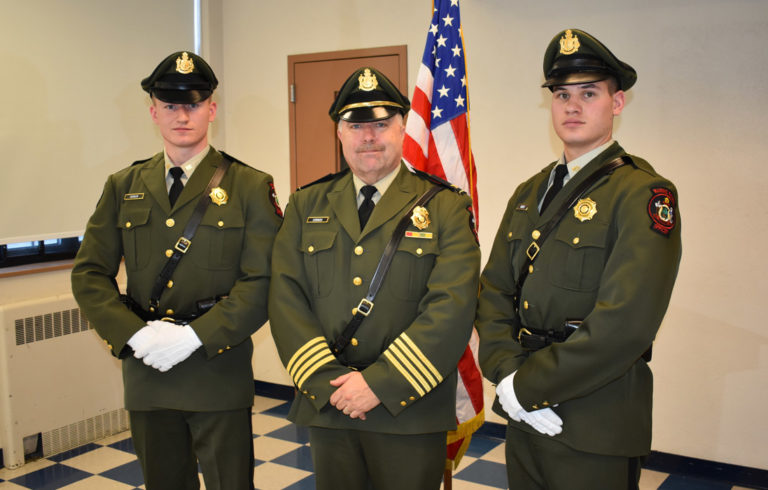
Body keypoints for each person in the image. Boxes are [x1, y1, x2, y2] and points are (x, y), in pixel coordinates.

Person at [475, 29, 682, 489]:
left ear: (617, 103)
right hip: (523, 412)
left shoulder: (643, 193)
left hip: (596, 418)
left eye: (589, 93)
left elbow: (626, 322)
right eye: (562, 94)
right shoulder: (529, 193)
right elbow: (494, 291)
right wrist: (507, 376)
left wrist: (527, 388)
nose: (572, 106)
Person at [71, 51, 283, 490]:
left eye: (193, 103)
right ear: (153, 112)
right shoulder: (124, 186)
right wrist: (133, 334)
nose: (181, 115)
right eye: (170, 105)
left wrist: (195, 335)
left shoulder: (248, 186)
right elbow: (89, 273)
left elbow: (263, 281)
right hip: (149, 371)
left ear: (212, 109)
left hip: (217, 371)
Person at [268, 67, 480, 490]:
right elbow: (285, 299)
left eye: (381, 124)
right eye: (356, 124)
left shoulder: (445, 208)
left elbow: (452, 308)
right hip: (331, 403)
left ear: (403, 129)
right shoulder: (305, 203)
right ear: (340, 133)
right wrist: (330, 385)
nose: (369, 136)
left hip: (410, 407)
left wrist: (379, 384)